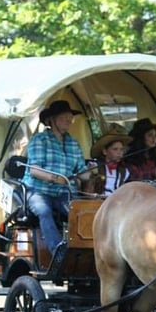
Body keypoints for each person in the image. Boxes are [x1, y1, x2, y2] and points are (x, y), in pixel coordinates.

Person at [23, 100, 91, 264]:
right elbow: (34, 170)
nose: (69, 120)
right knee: (44, 210)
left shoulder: (73, 143)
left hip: (63, 193)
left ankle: (85, 251)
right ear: (51, 120)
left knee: (79, 213)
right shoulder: (40, 140)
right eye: (65, 117)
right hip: (38, 190)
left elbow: (82, 173)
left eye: (70, 117)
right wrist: (55, 178)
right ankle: (58, 252)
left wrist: (91, 172)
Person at [84, 125, 132, 195]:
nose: (119, 153)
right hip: (97, 204)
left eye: (121, 149)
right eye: (115, 149)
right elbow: (87, 193)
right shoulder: (95, 166)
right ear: (105, 151)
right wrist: (92, 176)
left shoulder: (124, 171)